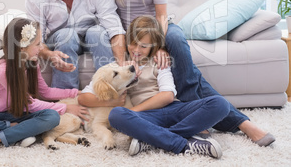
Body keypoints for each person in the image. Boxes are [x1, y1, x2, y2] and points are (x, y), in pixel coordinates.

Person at [93, 0, 275, 147]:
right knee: (193, 75)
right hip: (129, 34)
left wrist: (158, 45)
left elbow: (161, 15)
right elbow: (110, 17)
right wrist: (124, 56)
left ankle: (194, 109)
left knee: (176, 39)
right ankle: (232, 123)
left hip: (157, 29)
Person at [81, 15, 231, 158]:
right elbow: (84, 96)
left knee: (220, 104)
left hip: (173, 110)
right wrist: (117, 104)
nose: (137, 50)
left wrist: (133, 111)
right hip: (146, 117)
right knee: (116, 115)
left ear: (153, 47)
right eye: (133, 43)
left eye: (144, 46)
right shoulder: (120, 65)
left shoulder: (159, 61)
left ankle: (151, 140)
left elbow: (167, 95)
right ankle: (183, 144)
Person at [0, 18, 89, 156]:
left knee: (52, 117)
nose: (41, 48)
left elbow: (45, 92)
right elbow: (29, 104)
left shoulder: (32, 62)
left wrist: (75, 93)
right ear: (22, 47)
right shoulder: (3, 70)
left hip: (20, 114)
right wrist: (66, 108)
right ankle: (14, 132)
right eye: (37, 44)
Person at [25, 0, 126, 89]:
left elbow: (114, 28)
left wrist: (121, 64)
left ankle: (112, 89)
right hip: (59, 42)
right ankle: (67, 99)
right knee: (68, 35)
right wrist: (49, 54)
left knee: (97, 32)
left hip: (90, 37)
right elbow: (36, 41)